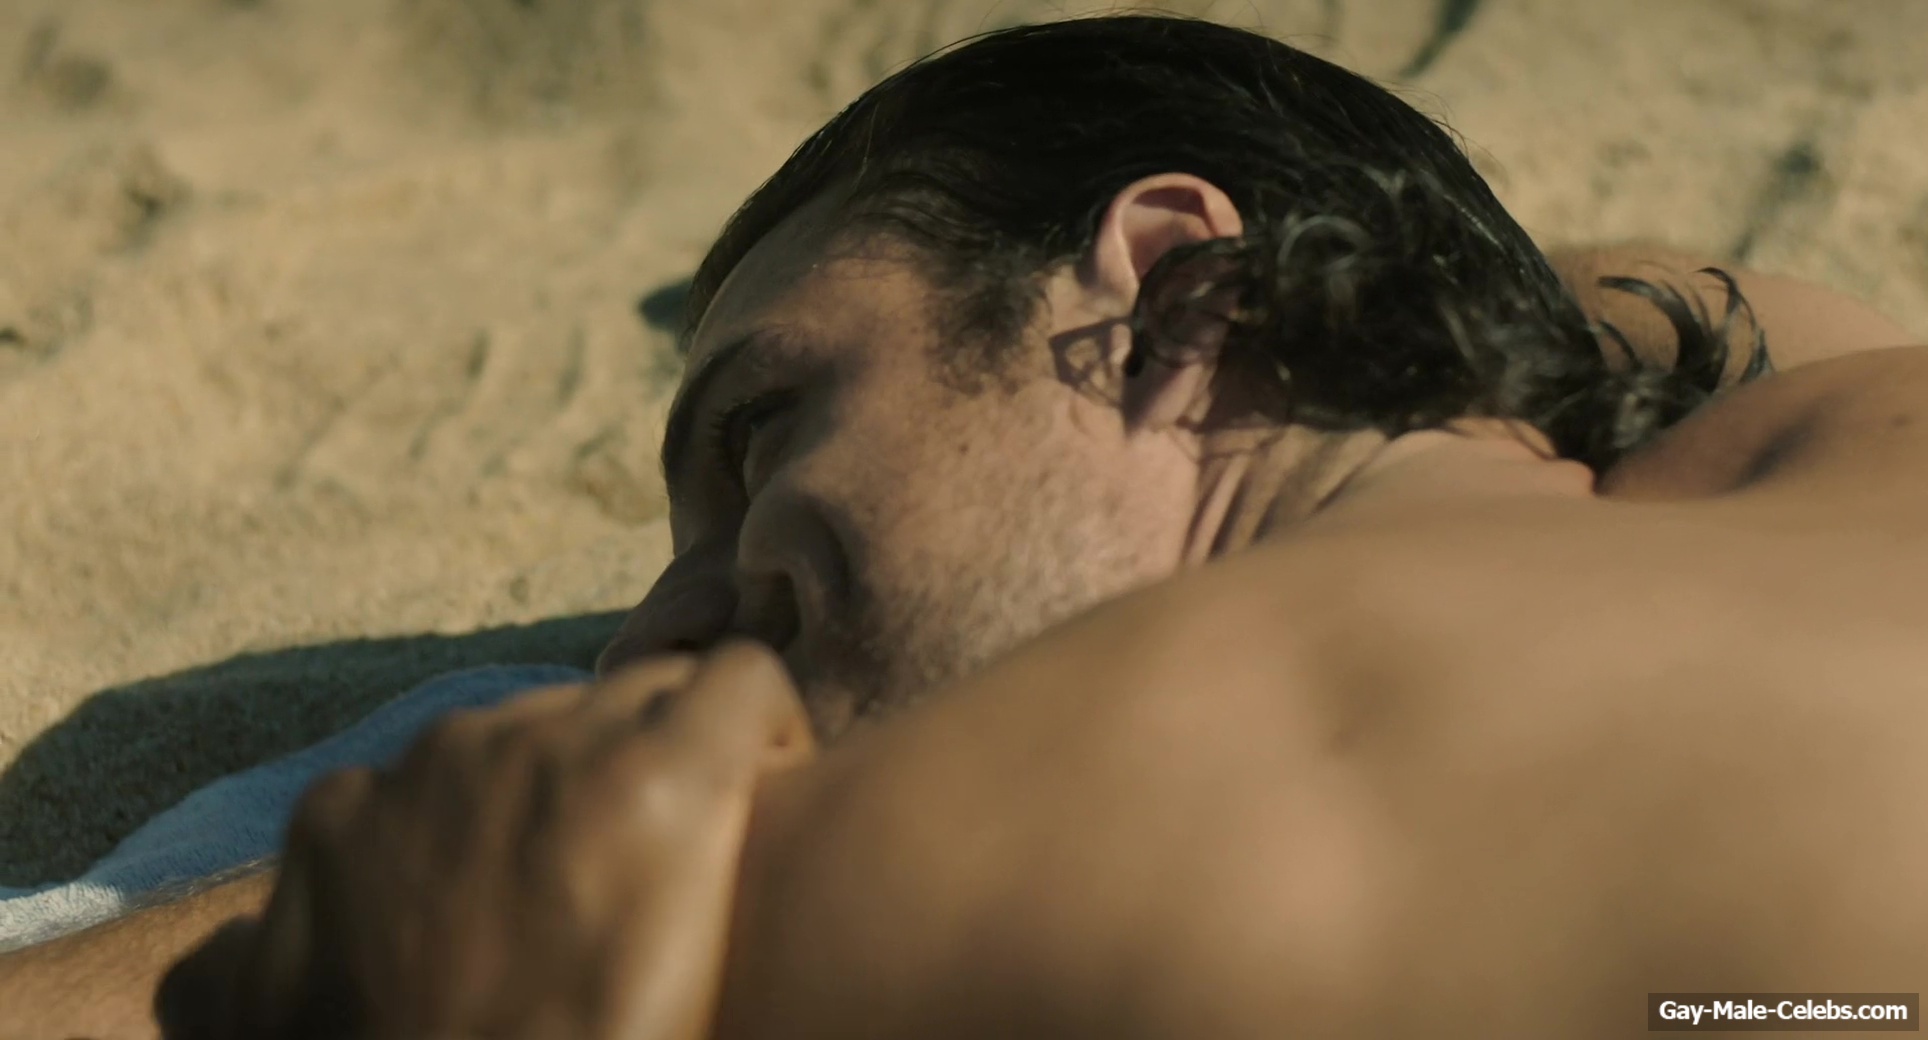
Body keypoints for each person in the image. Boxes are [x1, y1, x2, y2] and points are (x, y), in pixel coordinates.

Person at [6, 13, 1925, 1038]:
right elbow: (1579, 294)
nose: (645, 639)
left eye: (758, 430)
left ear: (1179, 295)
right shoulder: (1829, 415)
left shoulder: (978, 856)